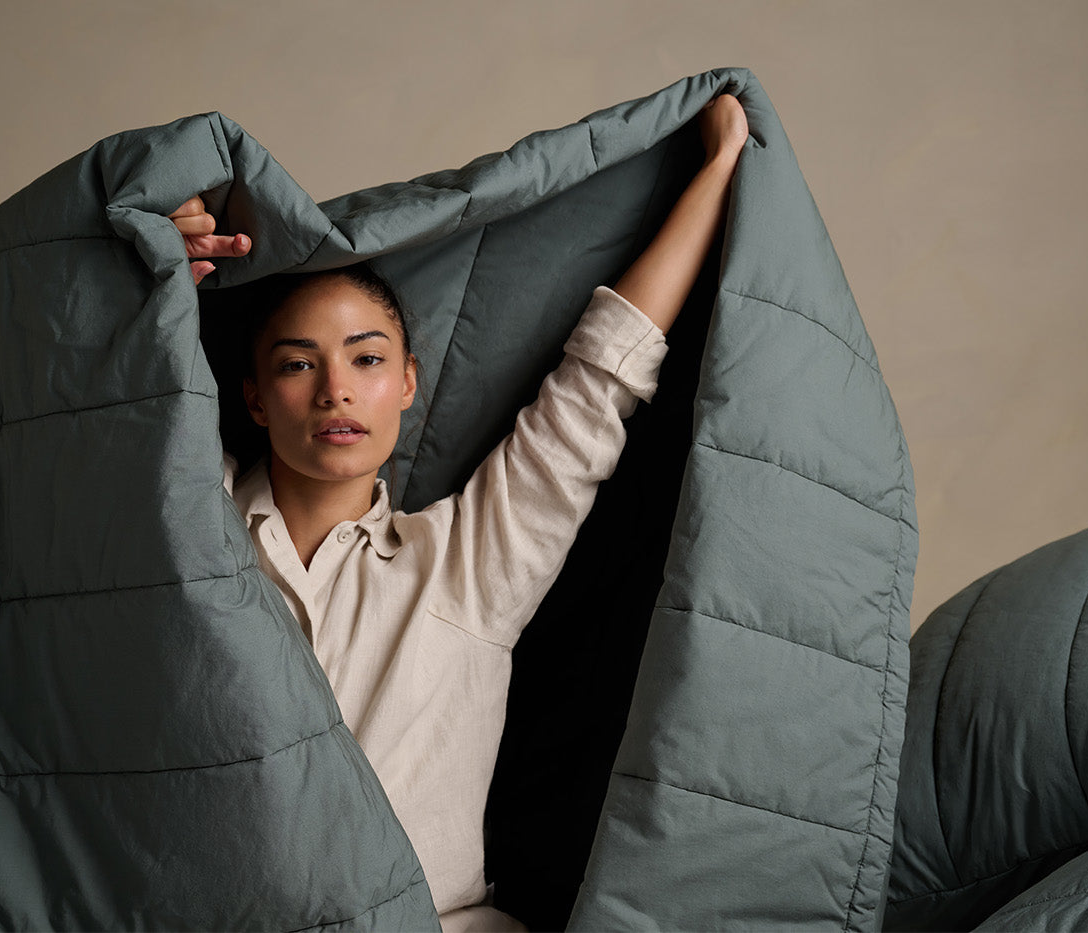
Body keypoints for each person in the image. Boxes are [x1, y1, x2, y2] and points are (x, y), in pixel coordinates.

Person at [169, 94, 749, 932]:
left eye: (366, 359)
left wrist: (718, 169)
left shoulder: (466, 564)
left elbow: (599, 381)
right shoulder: (195, 518)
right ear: (255, 397)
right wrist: (163, 260)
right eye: (298, 364)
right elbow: (113, 401)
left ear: (407, 382)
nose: (335, 390)